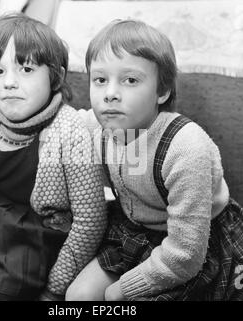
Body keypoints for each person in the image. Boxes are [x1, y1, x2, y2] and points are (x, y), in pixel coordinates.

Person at [66, 19, 243, 301]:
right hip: (133, 231)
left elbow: (185, 255)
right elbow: (57, 122)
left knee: (116, 298)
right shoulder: (96, 126)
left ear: (162, 91)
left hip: (195, 244)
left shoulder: (185, 148)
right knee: (78, 297)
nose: (110, 93)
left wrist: (122, 290)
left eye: (130, 80)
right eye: (100, 80)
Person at [0, 13, 107, 301]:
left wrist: (55, 288)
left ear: (56, 76)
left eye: (26, 70)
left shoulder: (72, 132)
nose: (9, 82)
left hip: (34, 242)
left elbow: (90, 221)